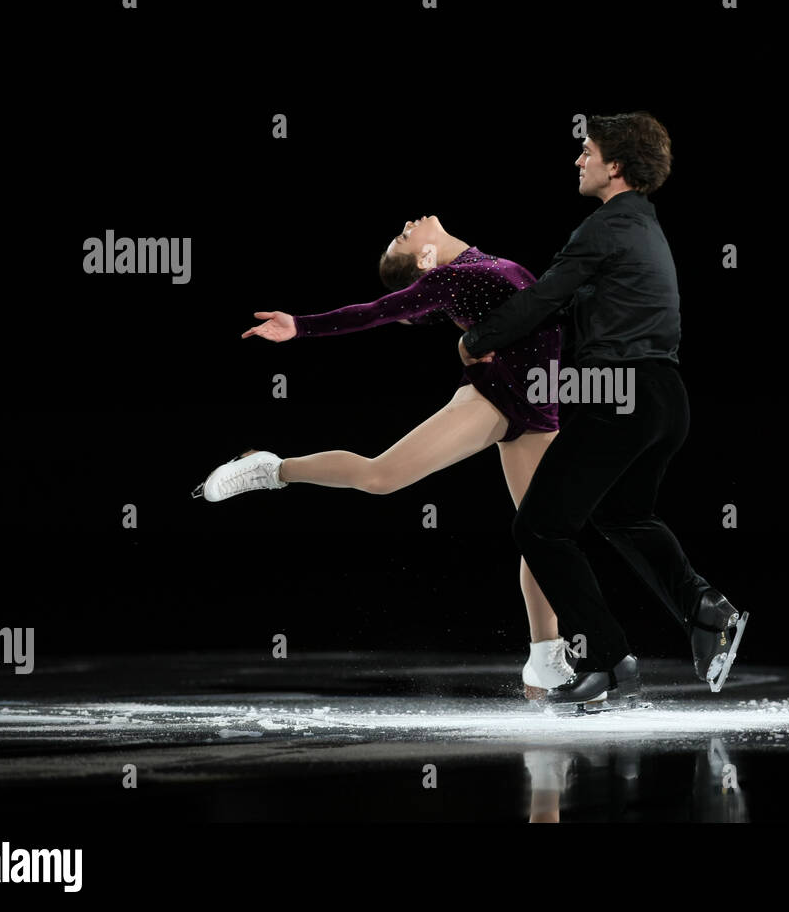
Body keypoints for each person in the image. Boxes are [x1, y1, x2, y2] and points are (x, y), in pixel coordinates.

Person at [191, 216, 574, 698]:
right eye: (402, 238)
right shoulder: (448, 277)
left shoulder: (481, 264)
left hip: (540, 412)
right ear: (425, 259)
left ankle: (544, 659)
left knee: (542, 535)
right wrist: (301, 327)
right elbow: (374, 311)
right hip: (493, 398)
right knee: (381, 477)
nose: (407, 225)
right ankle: (271, 468)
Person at [457, 112, 748, 709]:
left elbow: (544, 297)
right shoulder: (643, 227)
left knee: (538, 526)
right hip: (664, 399)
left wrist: (476, 339)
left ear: (615, 165)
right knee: (623, 513)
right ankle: (703, 606)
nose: (578, 159)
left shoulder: (604, 227)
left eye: (586, 151)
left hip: (621, 394)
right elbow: (575, 308)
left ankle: (608, 661)